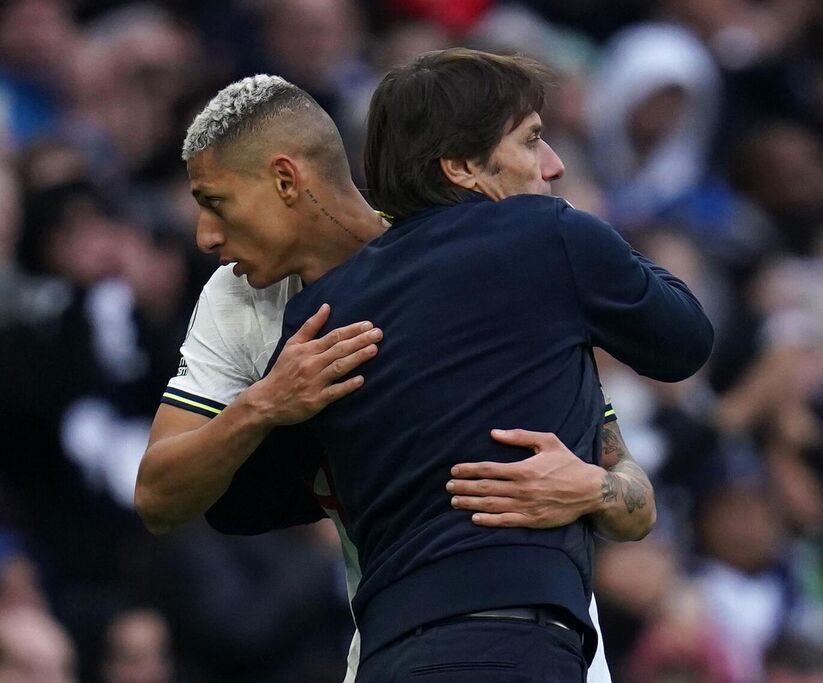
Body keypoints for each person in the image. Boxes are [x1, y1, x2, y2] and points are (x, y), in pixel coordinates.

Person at [134, 71, 660, 682]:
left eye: (216, 203)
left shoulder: (475, 258)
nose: (205, 236)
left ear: (285, 179)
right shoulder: (237, 303)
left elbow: (636, 504)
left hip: (542, 648)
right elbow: (158, 496)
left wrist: (592, 488)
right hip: (399, 645)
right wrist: (266, 404)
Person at [247, 48, 711, 680]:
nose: (555, 166)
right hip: (514, 646)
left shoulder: (326, 308)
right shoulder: (549, 235)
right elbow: (685, 339)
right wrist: (583, 225)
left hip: (390, 656)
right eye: (533, 142)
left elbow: (245, 504)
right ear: (462, 167)